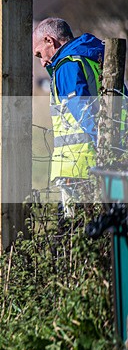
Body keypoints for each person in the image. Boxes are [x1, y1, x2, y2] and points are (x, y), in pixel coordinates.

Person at [32, 17, 103, 215]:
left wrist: (104, 147)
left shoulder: (67, 66)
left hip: (79, 166)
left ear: (49, 40)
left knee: (72, 232)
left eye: (39, 53)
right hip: (108, 162)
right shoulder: (94, 58)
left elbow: (83, 112)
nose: (42, 61)